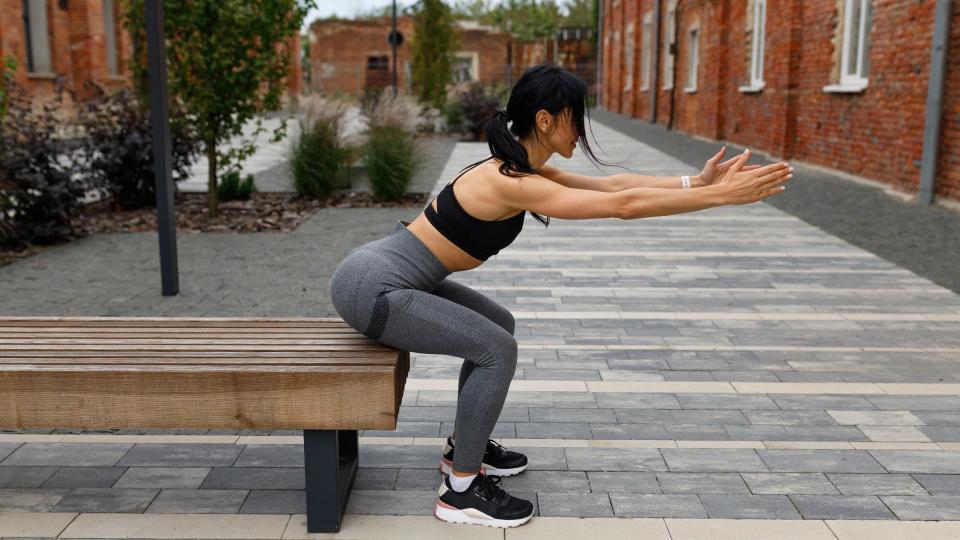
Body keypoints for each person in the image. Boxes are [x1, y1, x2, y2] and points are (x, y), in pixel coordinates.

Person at [329, 63, 792, 529]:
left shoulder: (521, 168)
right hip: (374, 288)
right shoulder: (505, 180)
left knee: (499, 326)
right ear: (546, 119)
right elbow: (622, 207)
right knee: (496, 349)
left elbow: (613, 186)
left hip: (395, 276)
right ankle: (462, 491)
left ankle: (461, 448)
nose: (582, 131)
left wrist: (699, 183)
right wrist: (723, 198)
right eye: (577, 118)